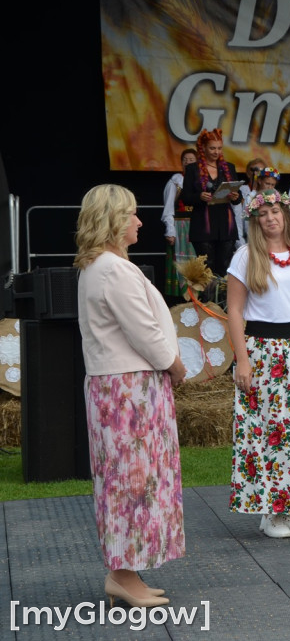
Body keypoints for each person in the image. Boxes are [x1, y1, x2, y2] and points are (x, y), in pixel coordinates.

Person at [75, 184, 187, 607]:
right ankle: (122, 575)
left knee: (128, 480)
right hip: (128, 392)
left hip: (122, 388)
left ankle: (126, 572)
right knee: (132, 482)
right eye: (133, 214)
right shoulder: (112, 270)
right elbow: (145, 332)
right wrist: (175, 366)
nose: (141, 222)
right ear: (112, 220)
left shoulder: (99, 267)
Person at [225, 187, 290, 538]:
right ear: (255, 221)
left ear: (286, 216)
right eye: (263, 214)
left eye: (275, 212)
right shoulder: (245, 257)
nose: (270, 218)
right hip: (263, 351)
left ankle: (288, 504)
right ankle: (271, 511)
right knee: (269, 430)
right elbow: (234, 311)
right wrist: (243, 360)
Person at [180, 128, 241, 278]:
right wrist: (199, 197)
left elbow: (238, 199)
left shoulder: (229, 167)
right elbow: (185, 197)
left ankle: (223, 300)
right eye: (212, 148)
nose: (216, 152)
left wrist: (235, 196)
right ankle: (206, 300)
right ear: (203, 148)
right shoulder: (193, 169)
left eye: (219, 148)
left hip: (225, 225)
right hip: (203, 225)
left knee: (225, 265)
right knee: (207, 268)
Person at [161, 148, 197, 297]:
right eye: (185, 160)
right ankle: (181, 299)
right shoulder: (176, 182)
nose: (188, 163)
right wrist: (170, 230)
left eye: (191, 160)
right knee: (181, 263)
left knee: (198, 262)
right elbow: (168, 207)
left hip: (197, 226)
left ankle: (198, 297)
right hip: (181, 227)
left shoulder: (201, 182)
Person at [234, 157, 266, 248]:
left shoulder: (271, 193)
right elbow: (238, 219)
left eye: (261, 170)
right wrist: (241, 245)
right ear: (248, 174)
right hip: (247, 239)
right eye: (254, 170)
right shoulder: (241, 190)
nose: (257, 173)